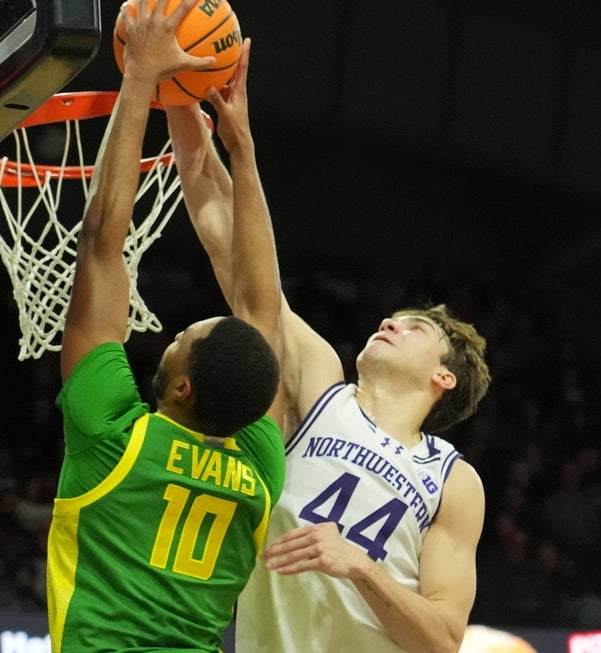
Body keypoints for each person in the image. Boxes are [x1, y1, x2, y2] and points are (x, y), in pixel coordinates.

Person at [168, 46, 492, 653]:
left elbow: (444, 640)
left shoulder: (453, 481)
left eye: (415, 328)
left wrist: (360, 565)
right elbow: (227, 242)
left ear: (444, 378)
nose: (390, 325)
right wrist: (180, 93)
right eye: (391, 319)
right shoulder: (321, 388)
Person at [45, 0, 286, 652]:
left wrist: (142, 83)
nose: (173, 331)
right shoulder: (257, 467)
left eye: (182, 336)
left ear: (181, 387)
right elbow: (259, 308)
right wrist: (205, 122)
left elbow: (100, 240)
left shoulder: (116, 441)